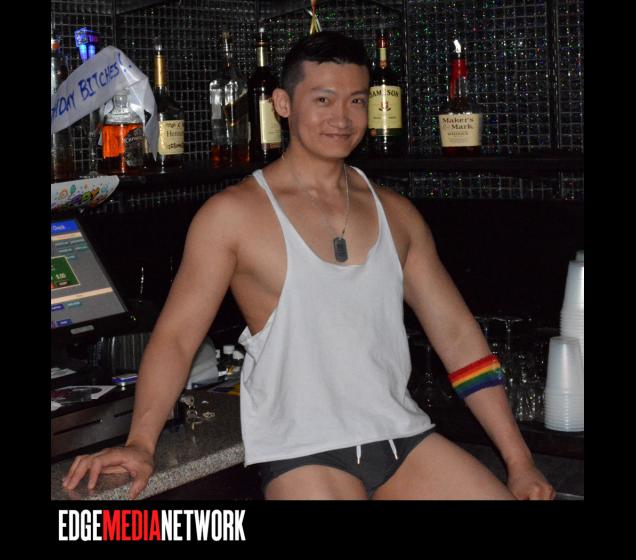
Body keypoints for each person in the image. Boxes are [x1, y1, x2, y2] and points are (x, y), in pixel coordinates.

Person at [63, 31, 555, 501]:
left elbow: (459, 338)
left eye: (356, 100)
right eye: (323, 99)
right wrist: (141, 444)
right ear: (283, 103)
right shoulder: (232, 215)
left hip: (402, 438)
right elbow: (175, 338)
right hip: (304, 452)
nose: (342, 117)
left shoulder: (398, 214)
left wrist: (519, 462)